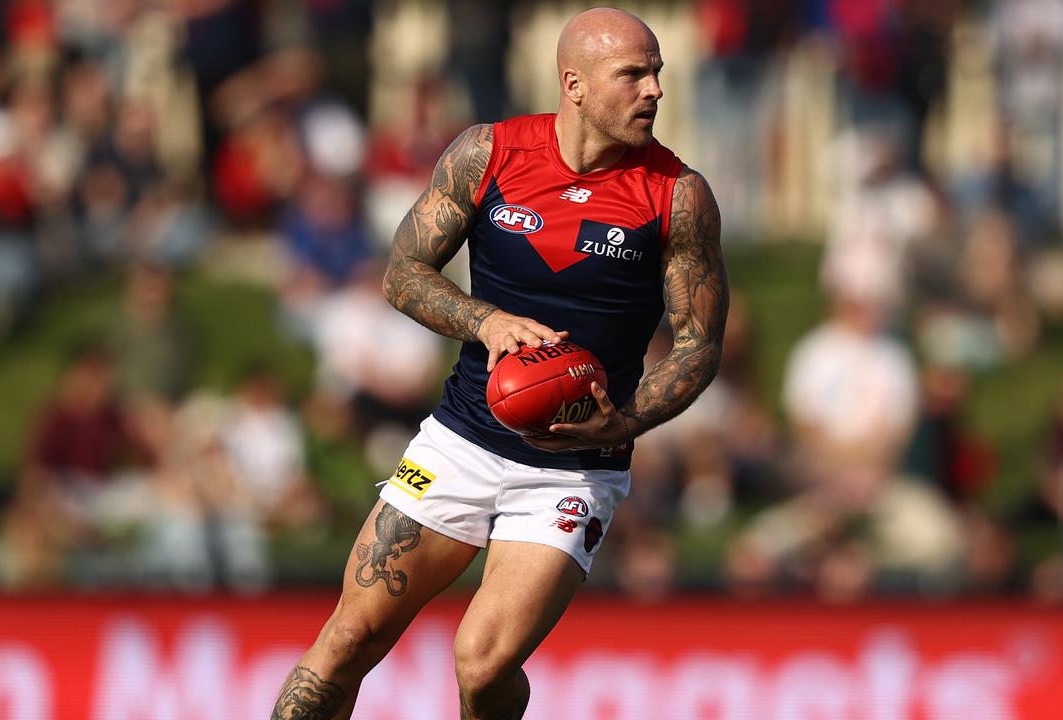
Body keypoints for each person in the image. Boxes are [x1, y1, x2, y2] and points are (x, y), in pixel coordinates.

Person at [271, 8, 727, 719]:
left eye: (657, 74)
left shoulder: (677, 195)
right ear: (573, 84)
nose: (655, 91)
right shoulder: (488, 153)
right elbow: (402, 272)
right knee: (347, 638)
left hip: (572, 468)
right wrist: (485, 319)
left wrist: (625, 420)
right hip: (458, 441)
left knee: (482, 665)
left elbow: (699, 343)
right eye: (633, 74)